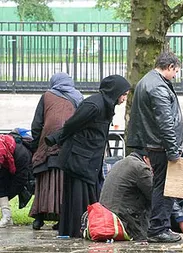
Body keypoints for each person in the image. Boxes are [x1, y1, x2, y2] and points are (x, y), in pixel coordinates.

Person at [48, 75, 130, 238]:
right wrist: (57, 138)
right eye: (124, 94)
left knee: (88, 196)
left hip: (89, 159)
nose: (125, 98)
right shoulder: (94, 105)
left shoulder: (105, 105)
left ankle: (87, 229)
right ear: (115, 92)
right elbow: (71, 125)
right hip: (79, 159)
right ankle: (78, 230)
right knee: (79, 197)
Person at [126, 51, 183, 243]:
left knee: (162, 186)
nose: (176, 75)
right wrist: (173, 150)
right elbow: (165, 122)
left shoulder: (147, 81)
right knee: (166, 188)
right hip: (161, 146)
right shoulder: (158, 87)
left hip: (154, 144)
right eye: (176, 71)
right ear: (169, 67)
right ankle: (159, 229)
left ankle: (160, 228)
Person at [29, 72, 83, 230]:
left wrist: (37, 145)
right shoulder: (78, 97)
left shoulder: (46, 96)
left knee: (44, 181)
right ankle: (61, 218)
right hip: (68, 146)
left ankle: (39, 218)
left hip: (47, 143)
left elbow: (37, 124)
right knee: (63, 183)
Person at [99, 149, 153, 241]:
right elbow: (156, 196)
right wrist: (181, 219)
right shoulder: (141, 168)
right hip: (125, 223)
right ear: (146, 159)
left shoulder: (120, 163)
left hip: (107, 219)